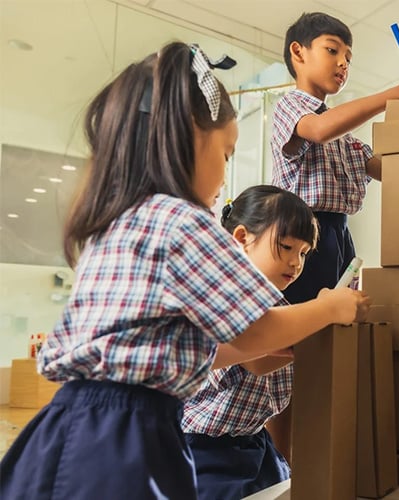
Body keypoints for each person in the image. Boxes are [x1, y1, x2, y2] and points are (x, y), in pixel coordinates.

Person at [0, 42, 369, 499]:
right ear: (189, 137)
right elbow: (253, 332)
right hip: (124, 434)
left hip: (74, 424)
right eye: (227, 153)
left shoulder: (124, 220)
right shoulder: (180, 219)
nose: (224, 173)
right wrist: (330, 307)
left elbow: (199, 349)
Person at [271, 11, 399, 304]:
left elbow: (393, 170)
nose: (342, 63)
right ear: (298, 52)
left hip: (340, 234)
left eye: (348, 58)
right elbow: (321, 129)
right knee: (304, 319)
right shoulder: (290, 106)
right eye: (332, 50)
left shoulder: (346, 140)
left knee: (340, 316)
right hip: (301, 233)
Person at [183, 185, 317, 499]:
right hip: (204, 448)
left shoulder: (277, 305)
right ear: (242, 238)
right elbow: (257, 358)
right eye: (285, 247)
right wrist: (320, 320)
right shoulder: (224, 292)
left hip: (252, 442)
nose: (296, 263)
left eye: (303, 253)